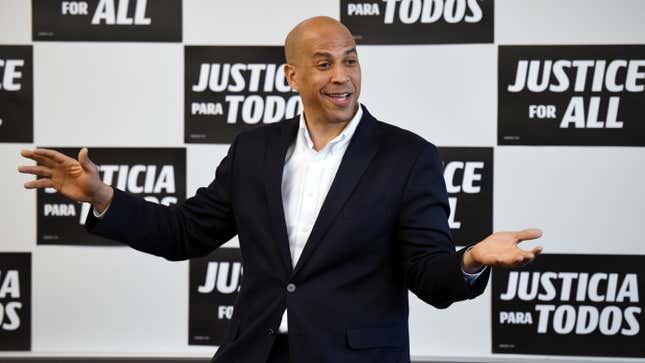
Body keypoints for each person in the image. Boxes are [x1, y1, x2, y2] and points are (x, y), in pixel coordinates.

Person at [19, 16, 543, 363]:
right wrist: (102, 197)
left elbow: (428, 274)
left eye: (351, 59)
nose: (342, 76)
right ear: (291, 75)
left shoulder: (408, 157)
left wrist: (470, 258)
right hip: (256, 353)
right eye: (324, 63)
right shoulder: (254, 149)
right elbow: (186, 233)